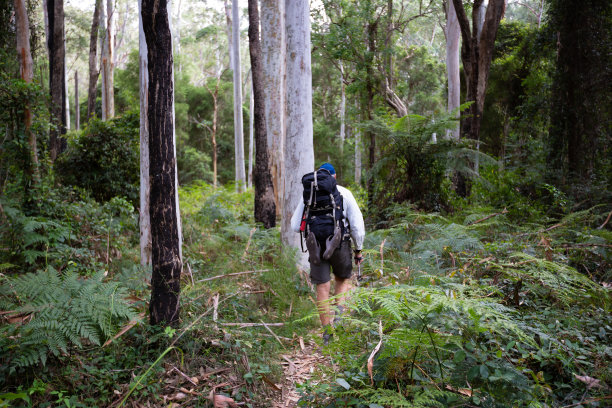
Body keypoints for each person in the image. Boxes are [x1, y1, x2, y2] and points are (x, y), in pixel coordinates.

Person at [291, 163, 365, 344]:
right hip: (340, 244)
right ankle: (338, 319)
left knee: (322, 287)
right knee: (342, 279)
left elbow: (294, 225)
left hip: (315, 245)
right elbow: (357, 226)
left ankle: (327, 334)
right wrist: (358, 250)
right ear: (335, 176)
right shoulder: (345, 193)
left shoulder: (309, 195)